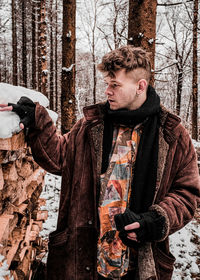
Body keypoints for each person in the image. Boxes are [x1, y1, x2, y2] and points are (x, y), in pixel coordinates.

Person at [0, 45, 199, 280]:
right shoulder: (91, 125)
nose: (107, 91)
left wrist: (155, 221)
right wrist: (38, 120)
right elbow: (60, 157)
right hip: (86, 260)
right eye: (106, 83)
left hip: (138, 263)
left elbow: (188, 194)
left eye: (115, 85)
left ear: (140, 86)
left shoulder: (171, 134)